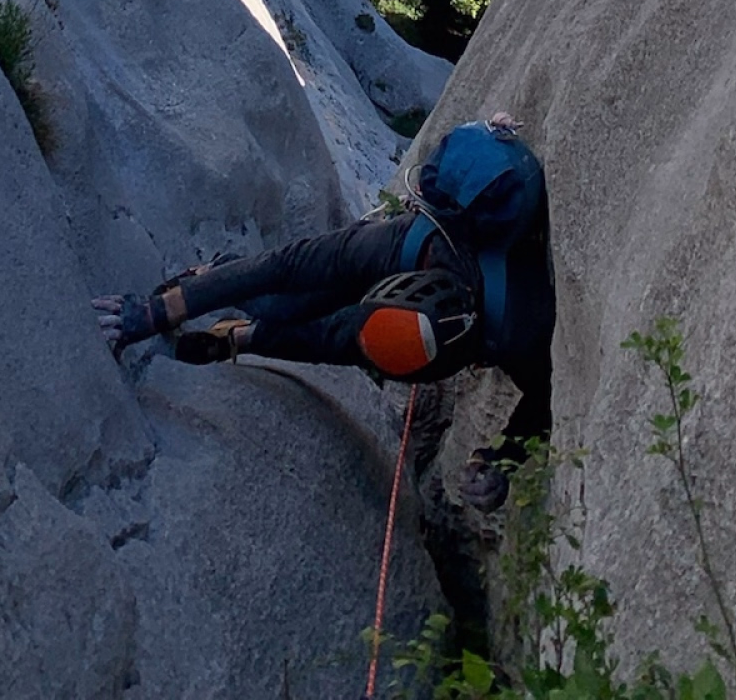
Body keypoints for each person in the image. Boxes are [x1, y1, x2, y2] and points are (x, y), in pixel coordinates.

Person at [95, 114, 554, 508]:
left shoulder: (514, 330)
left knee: (333, 338)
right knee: (280, 301)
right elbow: (283, 267)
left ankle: (243, 336)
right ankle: (217, 276)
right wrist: (156, 313)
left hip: (440, 322)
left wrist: (498, 462)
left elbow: (542, 397)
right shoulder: (396, 241)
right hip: (403, 256)